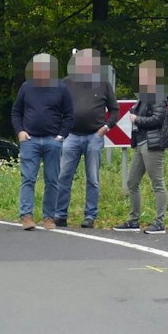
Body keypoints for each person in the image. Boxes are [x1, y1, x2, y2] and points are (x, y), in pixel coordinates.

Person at [51, 48, 118, 228]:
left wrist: (106, 127)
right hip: (71, 136)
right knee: (64, 176)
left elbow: (114, 110)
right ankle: (60, 214)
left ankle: (90, 216)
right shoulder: (66, 83)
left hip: (94, 136)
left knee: (93, 178)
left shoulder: (103, 84)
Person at [12, 53, 72, 229]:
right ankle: (27, 216)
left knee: (52, 180)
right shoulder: (26, 87)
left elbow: (69, 115)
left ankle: (49, 218)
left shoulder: (61, 88)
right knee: (28, 179)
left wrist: (61, 136)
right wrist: (20, 132)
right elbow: (16, 112)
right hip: (29, 140)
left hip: (52, 141)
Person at [115, 60, 168, 233]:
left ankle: (160, 222)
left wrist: (137, 119)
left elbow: (158, 119)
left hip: (152, 143)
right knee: (132, 181)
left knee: (157, 183)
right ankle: (133, 220)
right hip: (141, 142)